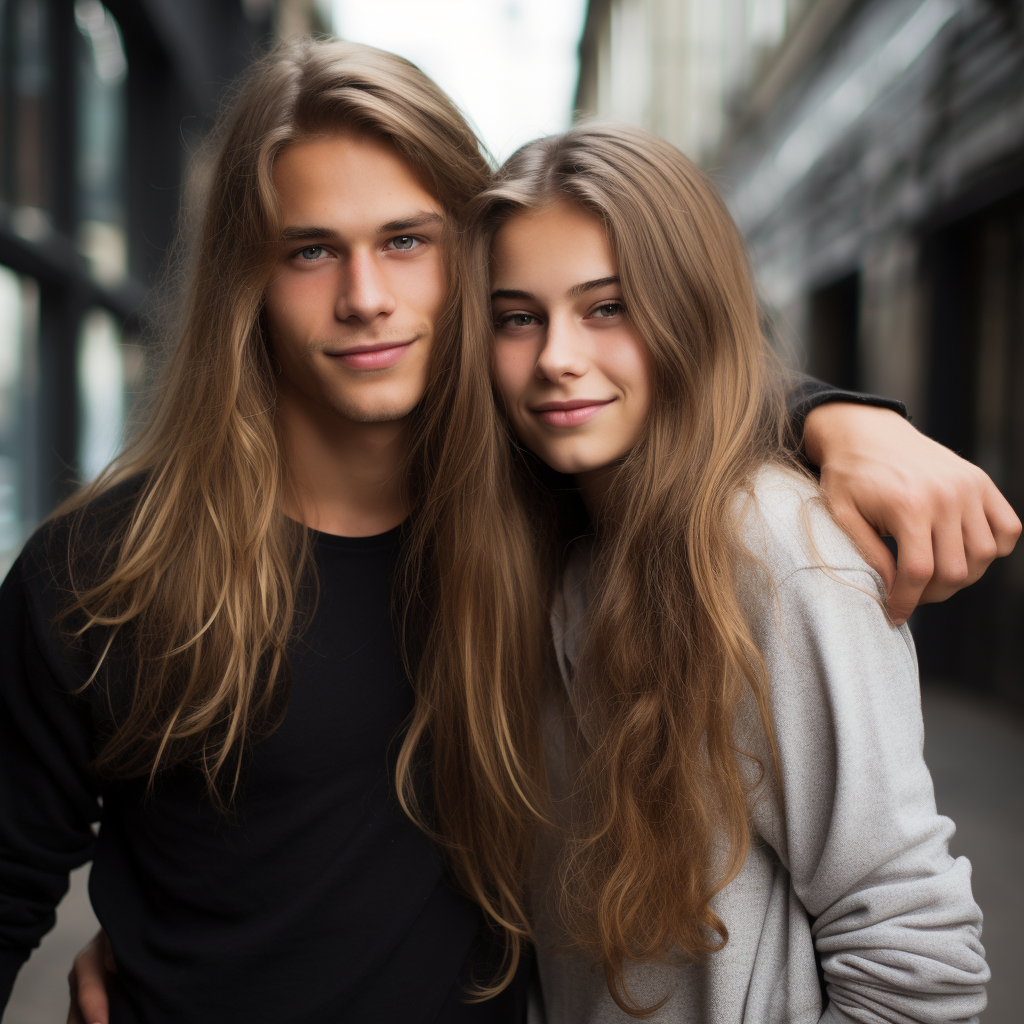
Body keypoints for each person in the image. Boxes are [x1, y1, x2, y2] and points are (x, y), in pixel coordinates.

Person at [31, 40, 1018, 1022]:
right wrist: (162, 929)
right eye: (311, 249)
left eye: (408, 240)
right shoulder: (110, 573)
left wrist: (836, 414)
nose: (365, 295)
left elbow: (910, 951)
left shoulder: (664, 532)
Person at [470, 122, 1003, 1021]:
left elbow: (921, 969)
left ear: (687, 312)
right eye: (519, 317)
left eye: (608, 307)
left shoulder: (773, 548)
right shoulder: (553, 540)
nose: (557, 356)